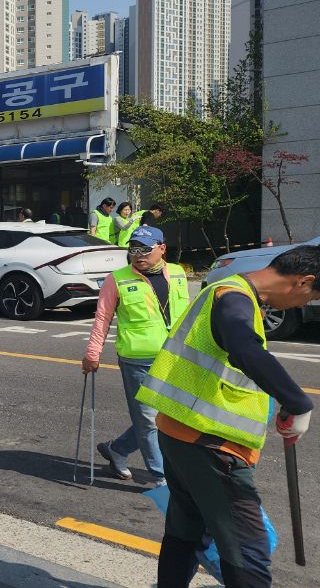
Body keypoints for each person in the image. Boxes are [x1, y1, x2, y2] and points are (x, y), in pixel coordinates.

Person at [138, 245, 319, 587]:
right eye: (309, 299)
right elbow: (243, 348)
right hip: (211, 445)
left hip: (180, 432)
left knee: (185, 533)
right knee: (247, 550)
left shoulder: (227, 290)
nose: (302, 306)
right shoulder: (235, 300)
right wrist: (297, 401)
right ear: (303, 282)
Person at [82, 227, 189, 486]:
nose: (138, 255)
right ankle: (163, 479)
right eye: (133, 249)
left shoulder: (177, 273)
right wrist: (92, 353)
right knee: (148, 420)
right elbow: (102, 318)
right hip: (137, 360)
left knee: (168, 417)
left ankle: (117, 449)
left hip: (175, 357)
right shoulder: (116, 279)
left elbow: (189, 314)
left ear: (162, 248)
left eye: (145, 249)